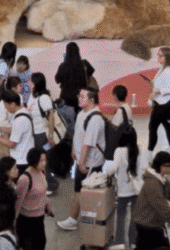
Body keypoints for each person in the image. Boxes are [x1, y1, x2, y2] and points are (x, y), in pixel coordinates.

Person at [57, 86, 106, 231]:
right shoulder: (82, 113)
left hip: (90, 163)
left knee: (80, 191)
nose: (79, 99)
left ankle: (73, 220)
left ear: (92, 99)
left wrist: (82, 163)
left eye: (83, 97)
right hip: (82, 160)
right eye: (79, 96)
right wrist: (74, 149)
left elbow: (88, 144)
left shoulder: (95, 118)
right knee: (80, 190)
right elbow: (78, 134)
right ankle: (78, 220)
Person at [132, 151, 170, 250]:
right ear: (162, 166)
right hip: (148, 226)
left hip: (150, 222)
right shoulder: (152, 184)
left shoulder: (160, 178)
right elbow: (164, 210)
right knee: (164, 247)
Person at [104, 127, 141, 248]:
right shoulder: (137, 150)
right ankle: (133, 242)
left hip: (123, 191)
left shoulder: (119, 151)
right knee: (135, 217)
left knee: (121, 216)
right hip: (136, 189)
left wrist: (106, 170)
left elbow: (112, 169)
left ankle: (120, 242)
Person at [0, 88, 33, 174]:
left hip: (21, 160)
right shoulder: (24, 112)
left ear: (12, 104)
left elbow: (11, 144)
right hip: (25, 156)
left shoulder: (19, 120)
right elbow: (17, 131)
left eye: (6, 105)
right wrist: (0, 128)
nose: (5, 108)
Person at [15, 147, 54, 250]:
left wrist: (48, 207)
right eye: (41, 161)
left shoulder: (42, 172)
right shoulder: (25, 179)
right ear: (34, 160)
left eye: (45, 160)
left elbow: (43, 193)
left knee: (41, 243)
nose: (44, 163)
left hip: (39, 218)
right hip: (26, 220)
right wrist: (13, 221)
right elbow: (18, 201)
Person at [27, 72, 58, 194]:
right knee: (40, 159)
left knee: (44, 160)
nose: (29, 83)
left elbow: (51, 117)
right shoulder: (32, 96)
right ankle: (45, 183)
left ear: (36, 84)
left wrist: (50, 136)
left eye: (31, 82)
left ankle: (50, 185)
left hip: (42, 135)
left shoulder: (44, 98)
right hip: (35, 133)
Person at [147, 47, 170, 156]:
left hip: (164, 103)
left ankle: (150, 151)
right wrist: (153, 82)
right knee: (167, 124)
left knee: (153, 126)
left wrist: (158, 90)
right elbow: (160, 83)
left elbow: (169, 89)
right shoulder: (163, 69)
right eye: (158, 55)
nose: (158, 58)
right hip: (161, 102)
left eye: (161, 56)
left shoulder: (169, 71)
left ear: (167, 58)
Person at [55, 41, 94, 115]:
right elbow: (91, 71)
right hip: (81, 96)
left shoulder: (63, 66)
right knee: (81, 117)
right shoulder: (84, 63)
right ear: (78, 51)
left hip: (66, 97)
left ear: (67, 52)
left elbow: (57, 80)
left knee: (67, 119)